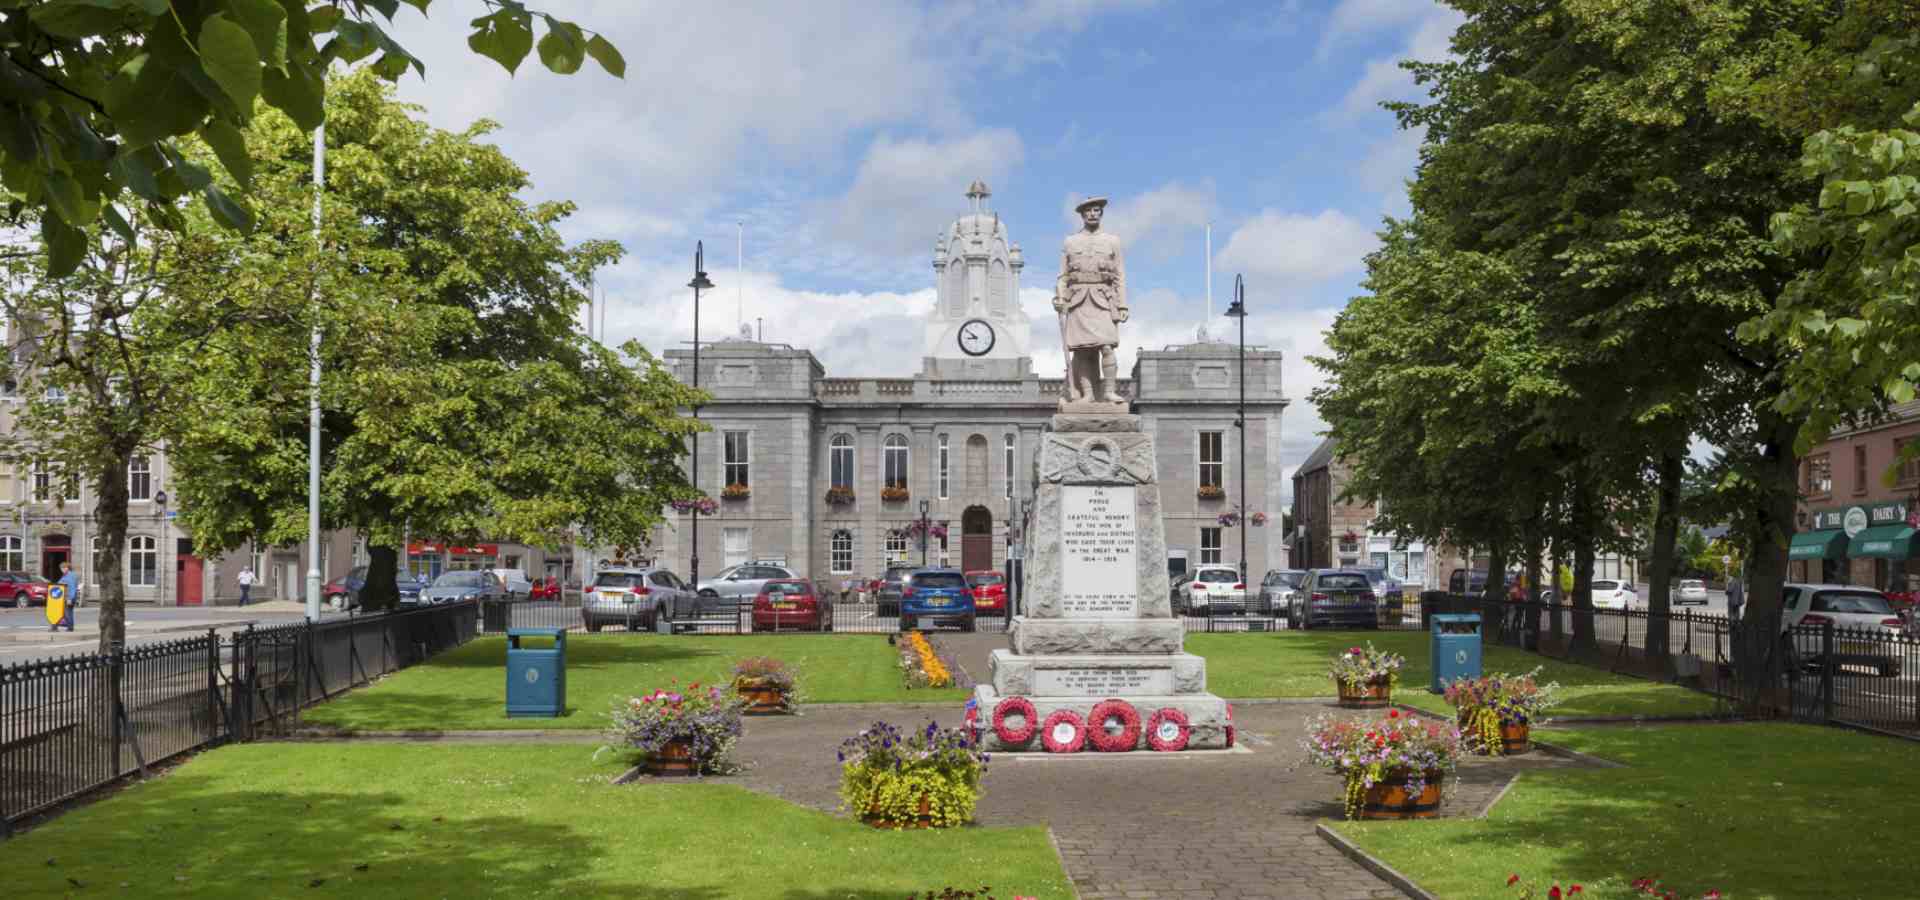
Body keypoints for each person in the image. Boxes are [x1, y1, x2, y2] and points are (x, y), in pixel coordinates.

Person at [1052, 196, 1129, 408]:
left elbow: (1120, 274)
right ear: (1082, 215)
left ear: (1101, 213)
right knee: (1082, 350)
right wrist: (1059, 298)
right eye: (1089, 211)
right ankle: (1087, 395)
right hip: (1077, 299)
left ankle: (1110, 392)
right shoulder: (1070, 242)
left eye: (1096, 210)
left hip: (1104, 298)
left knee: (1107, 346)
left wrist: (1122, 305)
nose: (1093, 214)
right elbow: (1063, 276)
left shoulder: (1112, 241)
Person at [51, 561, 78, 632]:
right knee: (68, 612)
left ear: (67, 568)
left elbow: (72, 588)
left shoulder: (70, 576)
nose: (61, 570)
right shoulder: (67, 575)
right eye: (61, 568)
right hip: (65, 597)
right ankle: (69, 627)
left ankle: (69, 627)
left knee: (67, 612)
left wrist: (70, 598)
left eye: (63, 568)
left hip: (68, 597)